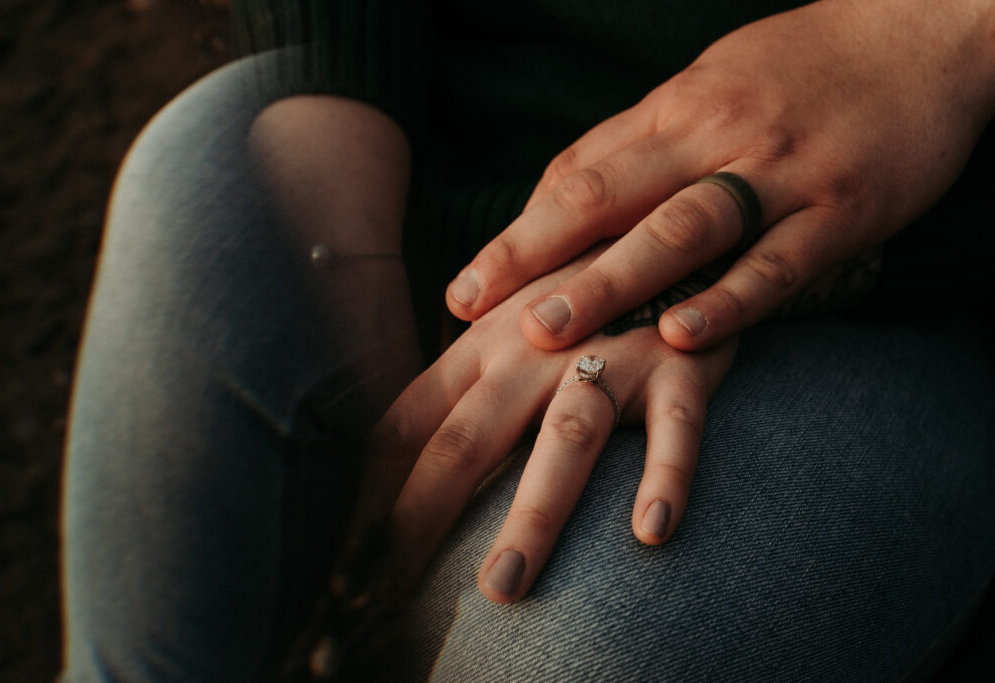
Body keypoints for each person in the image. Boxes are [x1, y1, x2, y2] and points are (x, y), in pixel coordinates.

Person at [61, 0, 995, 680]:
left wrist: (714, 269)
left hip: (894, 268)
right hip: (444, 137)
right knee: (199, 180)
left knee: (569, 648)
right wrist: (331, 88)